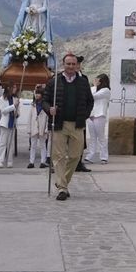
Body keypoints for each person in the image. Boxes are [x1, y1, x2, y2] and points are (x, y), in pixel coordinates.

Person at [46, 54, 94, 201]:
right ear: (63, 64)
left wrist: (84, 115)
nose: (71, 67)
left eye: (73, 64)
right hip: (59, 123)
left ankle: (62, 181)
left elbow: (90, 101)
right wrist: (49, 109)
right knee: (58, 157)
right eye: (68, 64)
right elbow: (45, 100)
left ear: (77, 66)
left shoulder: (83, 82)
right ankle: (62, 188)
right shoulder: (54, 82)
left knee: (75, 156)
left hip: (77, 124)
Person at [86, 74, 111, 165]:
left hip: (99, 115)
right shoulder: (93, 88)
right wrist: (93, 87)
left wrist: (94, 87)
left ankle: (104, 157)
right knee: (92, 138)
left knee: (101, 137)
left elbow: (92, 97)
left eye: (97, 79)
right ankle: (90, 156)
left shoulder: (106, 90)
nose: (95, 81)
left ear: (101, 81)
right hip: (91, 115)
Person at [0, 85, 19, 169]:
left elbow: (17, 111)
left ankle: (9, 161)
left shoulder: (16, 99)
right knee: (3, 143)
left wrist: (17, 113)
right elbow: (3, 111)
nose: (15, 89)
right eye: (14, 87)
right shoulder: (2, 99)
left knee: (10, 144)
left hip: (12, 123)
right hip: (5, 123)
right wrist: (13, 106)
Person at [27, 88, 49, 169]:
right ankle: (31, 162)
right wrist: (29, 129)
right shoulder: (33, 105)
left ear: (42, 95)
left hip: (42, 128)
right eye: (36, 93)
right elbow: (30, 118)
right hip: (34, 128)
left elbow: (47, 118)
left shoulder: (45, 105)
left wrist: (47, 129)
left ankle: (43, 161)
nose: (37, 95)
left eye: (39, 93)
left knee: (43, 145)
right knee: (33, 145)